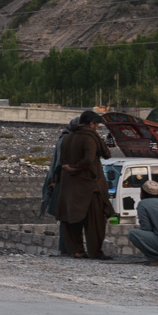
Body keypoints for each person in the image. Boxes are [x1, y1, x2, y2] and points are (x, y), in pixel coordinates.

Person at [52, 110, 110, 259]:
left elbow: (61, 161)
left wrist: (69, 168)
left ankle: (76, 250)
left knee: (72, 218)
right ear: (91, 124)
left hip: (69, 185)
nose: (96, 128)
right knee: (95, 221)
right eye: (96, 125)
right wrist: (76, 167)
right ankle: (95, 251)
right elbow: (90, 159)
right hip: (89, 186)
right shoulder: (90, 137)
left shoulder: (67, 137)